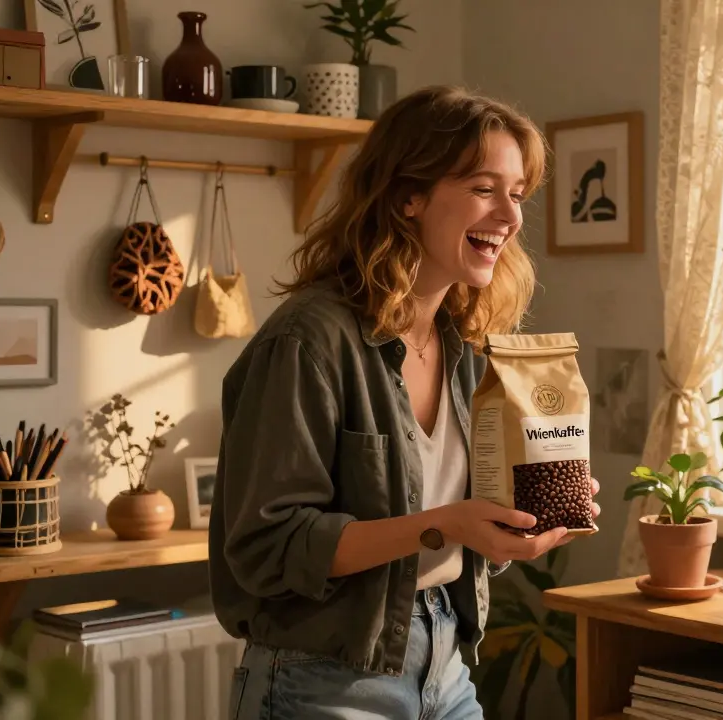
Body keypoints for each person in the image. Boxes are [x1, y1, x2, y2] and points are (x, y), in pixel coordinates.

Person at [209, 85, 600, 720]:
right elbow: (269, 547)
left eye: (518, 194)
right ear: (407, 195)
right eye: (483, 188)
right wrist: (447, 524)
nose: (511, 215)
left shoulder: (466, 346)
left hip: (446, 667)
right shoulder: (308, 341)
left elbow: (450, 529)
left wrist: (509, 527)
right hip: (324, 681)